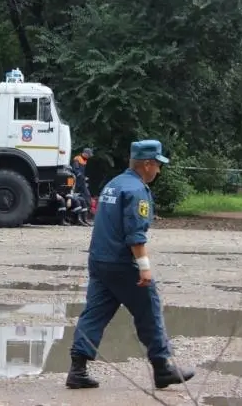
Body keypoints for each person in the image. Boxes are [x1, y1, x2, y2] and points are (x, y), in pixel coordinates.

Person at [65, 139, 195, 390]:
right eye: (157, 165)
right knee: (149, 309)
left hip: (99, 260)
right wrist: (144, 267)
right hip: (122, 263)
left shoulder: (113, 185)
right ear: (147, 164)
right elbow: (135, 234)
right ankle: (162, 368)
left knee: (94, 314)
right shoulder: (137, 191)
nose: (159, 170)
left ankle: (77, 370)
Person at [71, 148, 93, 212]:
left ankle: (87, 210)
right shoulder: (77, 159)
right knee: (73, 194)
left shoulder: (85, 160)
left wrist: (84, 177)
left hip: (81, 181)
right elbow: (76, 170)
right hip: (75, 181)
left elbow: (81, 172)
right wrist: (83, 177)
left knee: (87, 195)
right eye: (89, 155)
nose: (89, 156)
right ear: (85, 153)